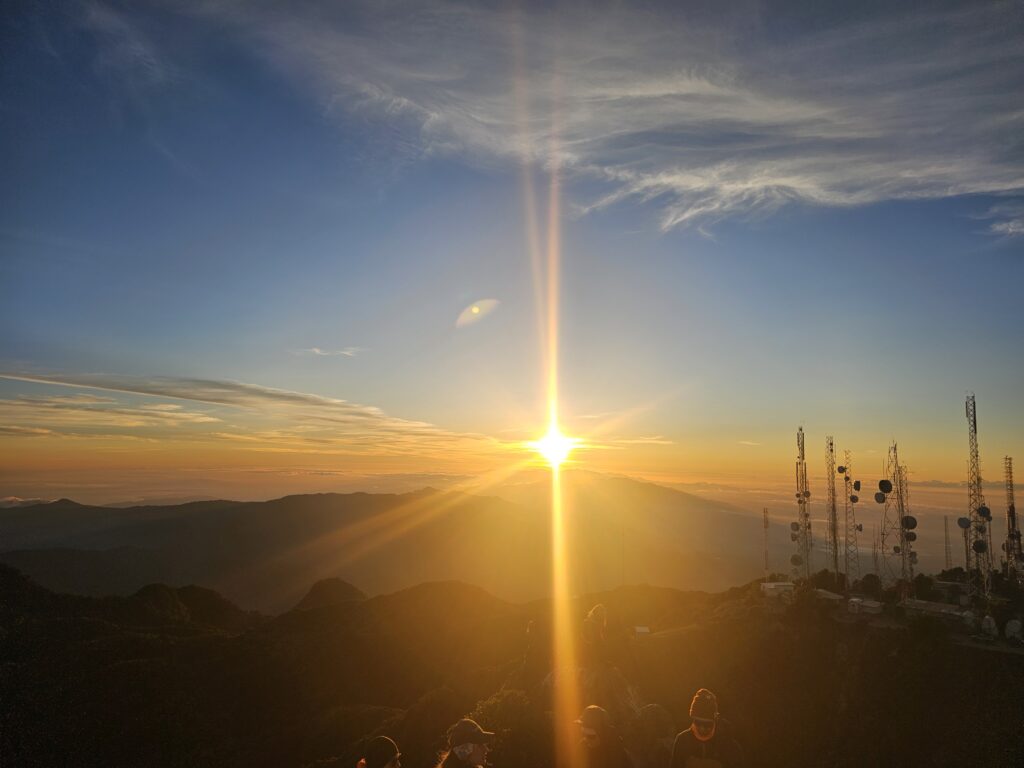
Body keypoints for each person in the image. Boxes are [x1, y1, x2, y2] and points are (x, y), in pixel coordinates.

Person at [669, 689, 743, 768]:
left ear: (715, 720)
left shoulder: (728, 745)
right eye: (698, 722)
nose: (702, 728)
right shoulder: (683, 741)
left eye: (707, 724)